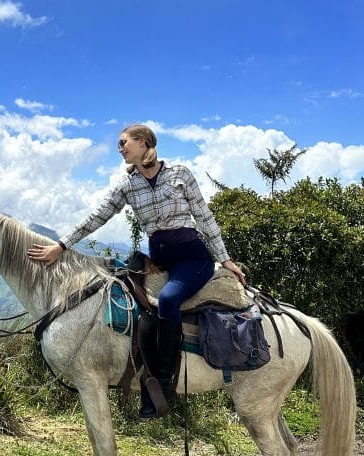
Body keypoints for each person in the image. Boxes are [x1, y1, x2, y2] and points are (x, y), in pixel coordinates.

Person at [27, 123, 246, 418]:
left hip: (193, 259)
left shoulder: (180, 174)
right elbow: (97, 217)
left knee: (168, 300)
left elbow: (204, 218)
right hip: (157, 261)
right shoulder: (127, 185)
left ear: (142, 142)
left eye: (123, 143)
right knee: (132, 302)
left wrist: (226, 259)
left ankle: (162, 385)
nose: (120, 149)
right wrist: (61, 246)